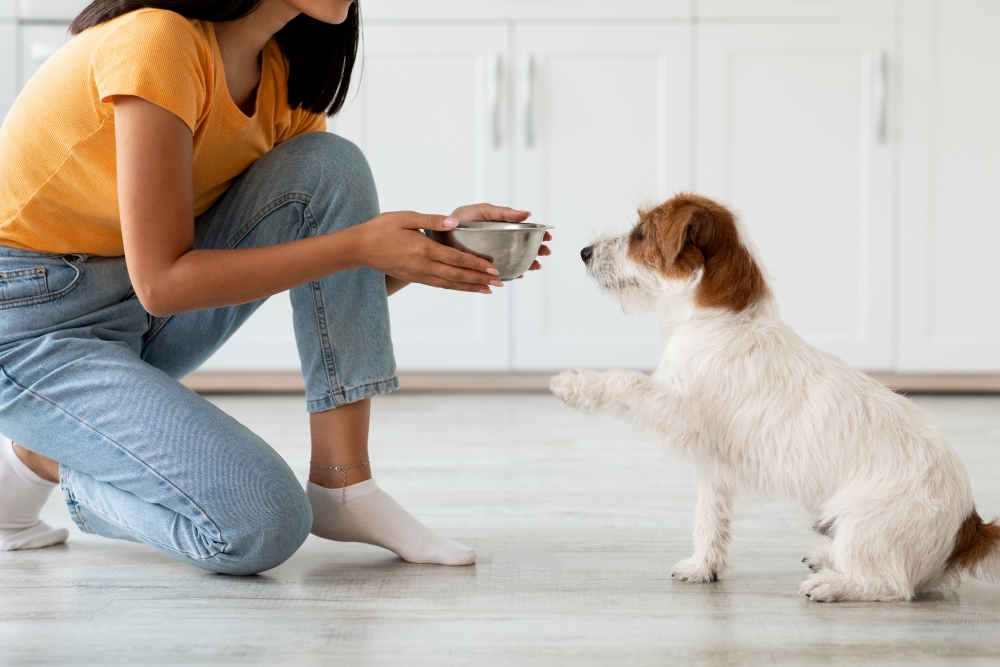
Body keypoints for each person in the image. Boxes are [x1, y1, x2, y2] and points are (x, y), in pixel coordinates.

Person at [0, 0, 549, 573]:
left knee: (328, 166)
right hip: (29, 323)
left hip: (131, 303)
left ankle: (345, 487)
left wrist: (425, 254)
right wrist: (360, 244)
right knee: (262, 524)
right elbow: (163, 282)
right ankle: (43, 455)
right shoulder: (160, 41)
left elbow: (322, 281)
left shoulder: (281, 73)